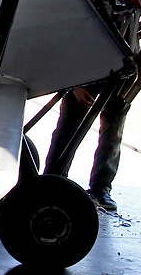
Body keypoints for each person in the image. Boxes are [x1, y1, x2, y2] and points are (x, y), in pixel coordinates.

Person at [42, 79, 130, 212]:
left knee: (112, 131)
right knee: (69, 126)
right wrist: (75, 85)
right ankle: (53, 180)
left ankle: (101, 189)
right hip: (87, 73)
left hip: (120, 74)